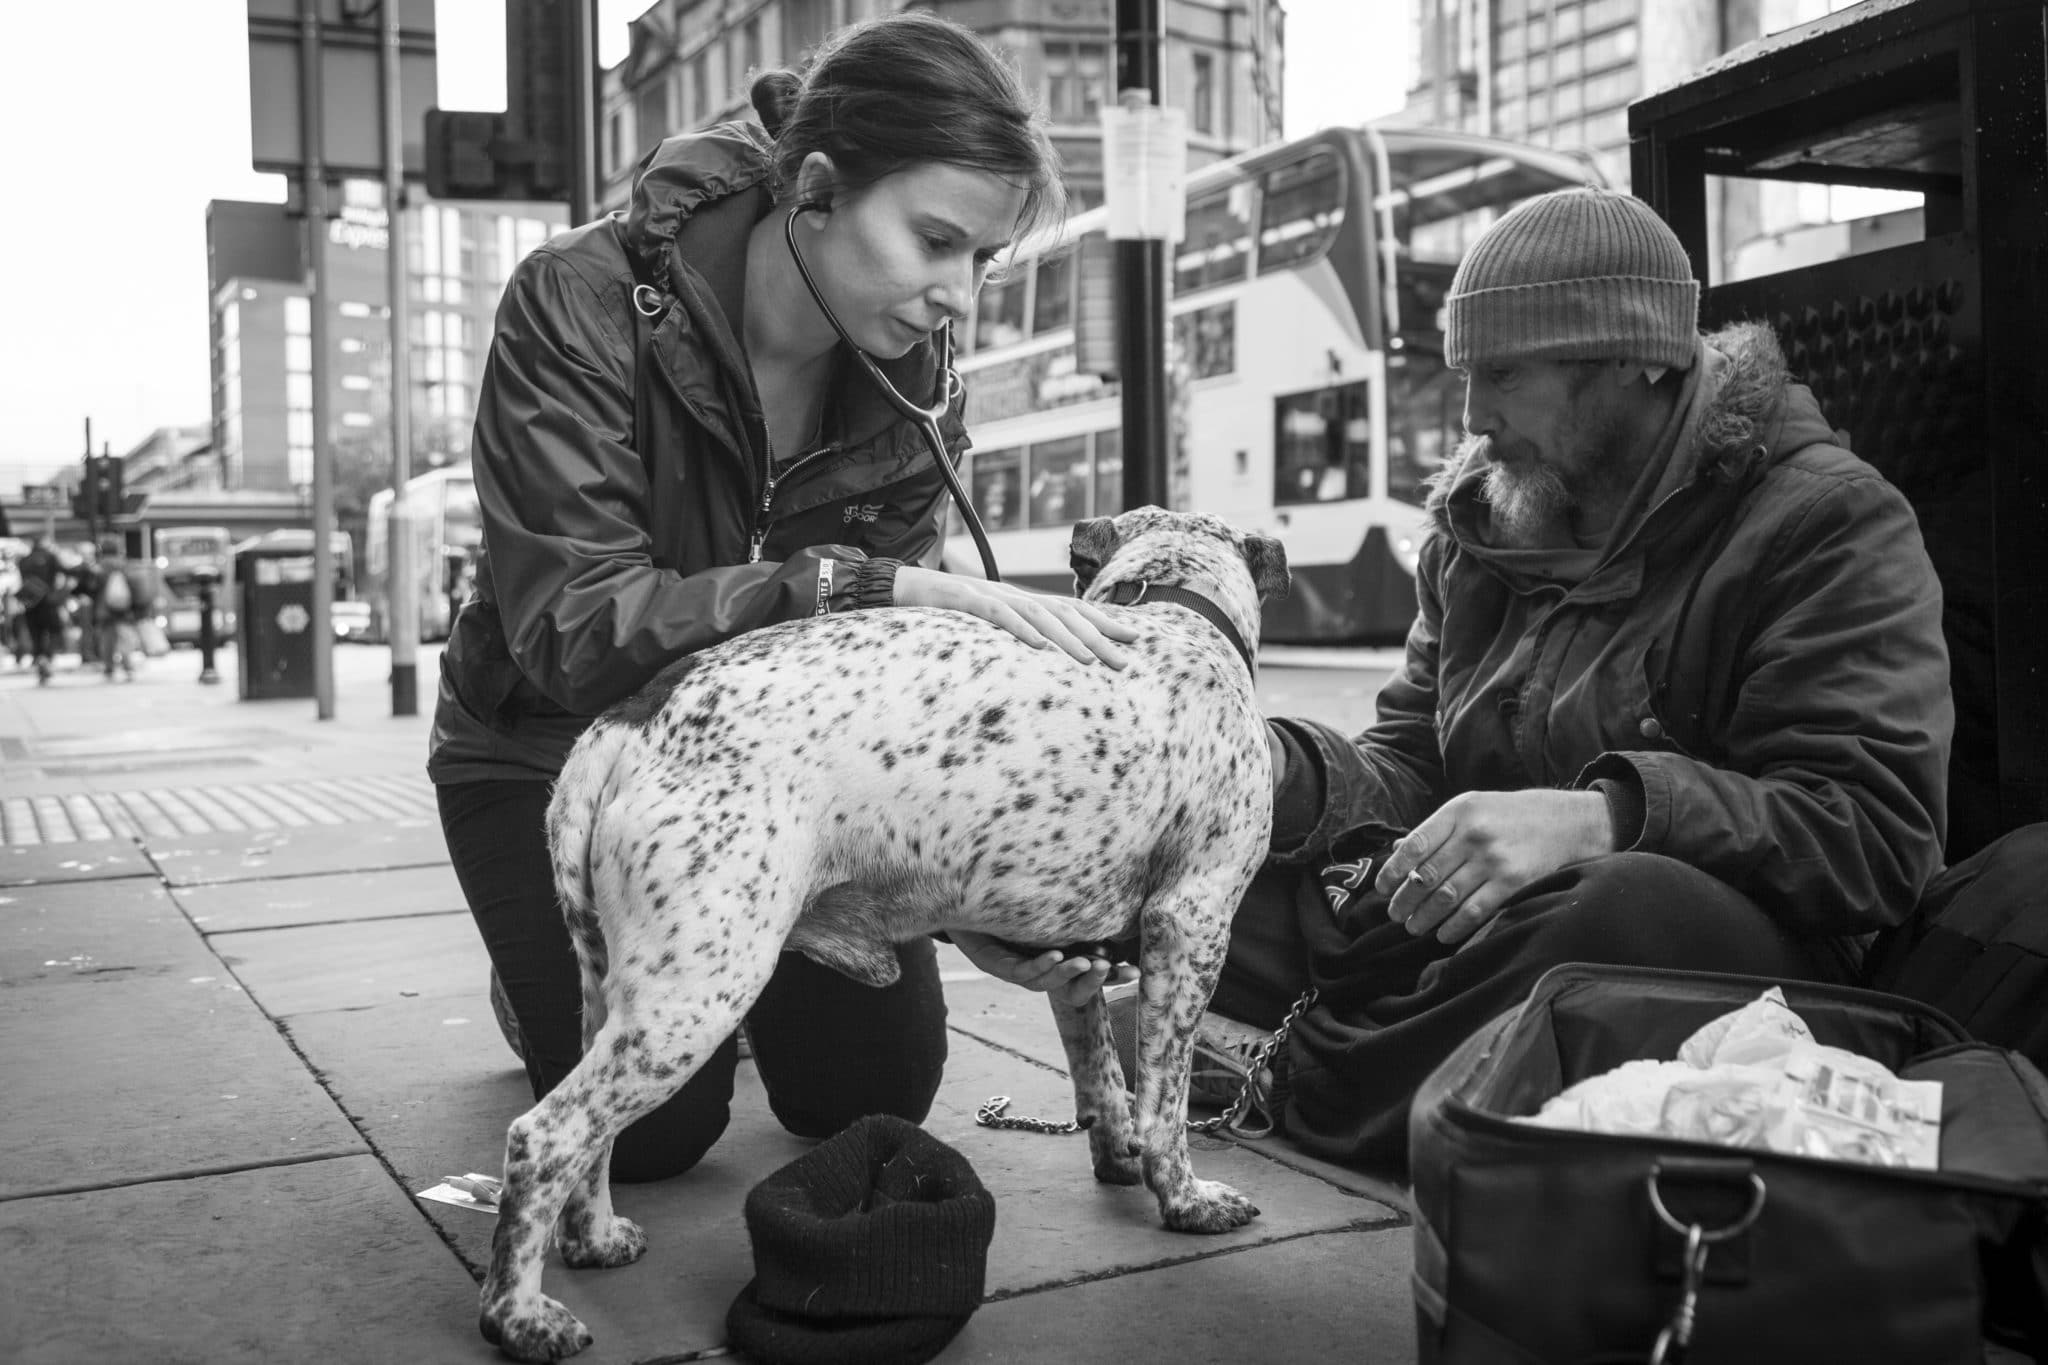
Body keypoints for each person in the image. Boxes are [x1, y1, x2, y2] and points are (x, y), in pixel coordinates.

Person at [431, 11, 1138, 1184]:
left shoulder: (918, 381)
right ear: (814, 186)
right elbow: (575, 630)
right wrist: (842, 586)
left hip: (778, 773)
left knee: (863, 1098)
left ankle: (719, 965)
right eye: (933, 240)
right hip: (556, 751)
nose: (957, 292)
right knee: (653, 1135)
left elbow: (885, 686)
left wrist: (981, 888)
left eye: (983, 260)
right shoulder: (577, 297)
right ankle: (545, 977)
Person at [1200, 186, 1954, 1175]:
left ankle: (1285, 1076)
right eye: (1466, 375)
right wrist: (1272, 771)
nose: (1474, 418)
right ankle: (1367, 1048)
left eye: (1504, 375)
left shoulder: (1824, 523)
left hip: (1719, 962)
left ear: (1638, 358)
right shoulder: (1477, 534)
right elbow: (1410, 763)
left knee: (1614, 908)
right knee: (1206, 846)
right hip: (1483, 929)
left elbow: (1871, 837)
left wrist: (1598, 819)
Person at [92, 538, 155, 681]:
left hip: (105, 608)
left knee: (107, 639)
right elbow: (136, 586)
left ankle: (109, 668)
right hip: (124, 607)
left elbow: (92, 587)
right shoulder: (124, 564)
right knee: (124, 638)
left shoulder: (98, 567)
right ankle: (128, 667)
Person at [14, 537, 69, 685]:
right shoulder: (51, 557)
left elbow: (21, 580)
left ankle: (40, 659)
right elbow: (64, 573)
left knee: (36, 634)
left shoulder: (24, 560)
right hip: (48, 602)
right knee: (55, 631)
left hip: (31, 603)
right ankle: (47, 658)